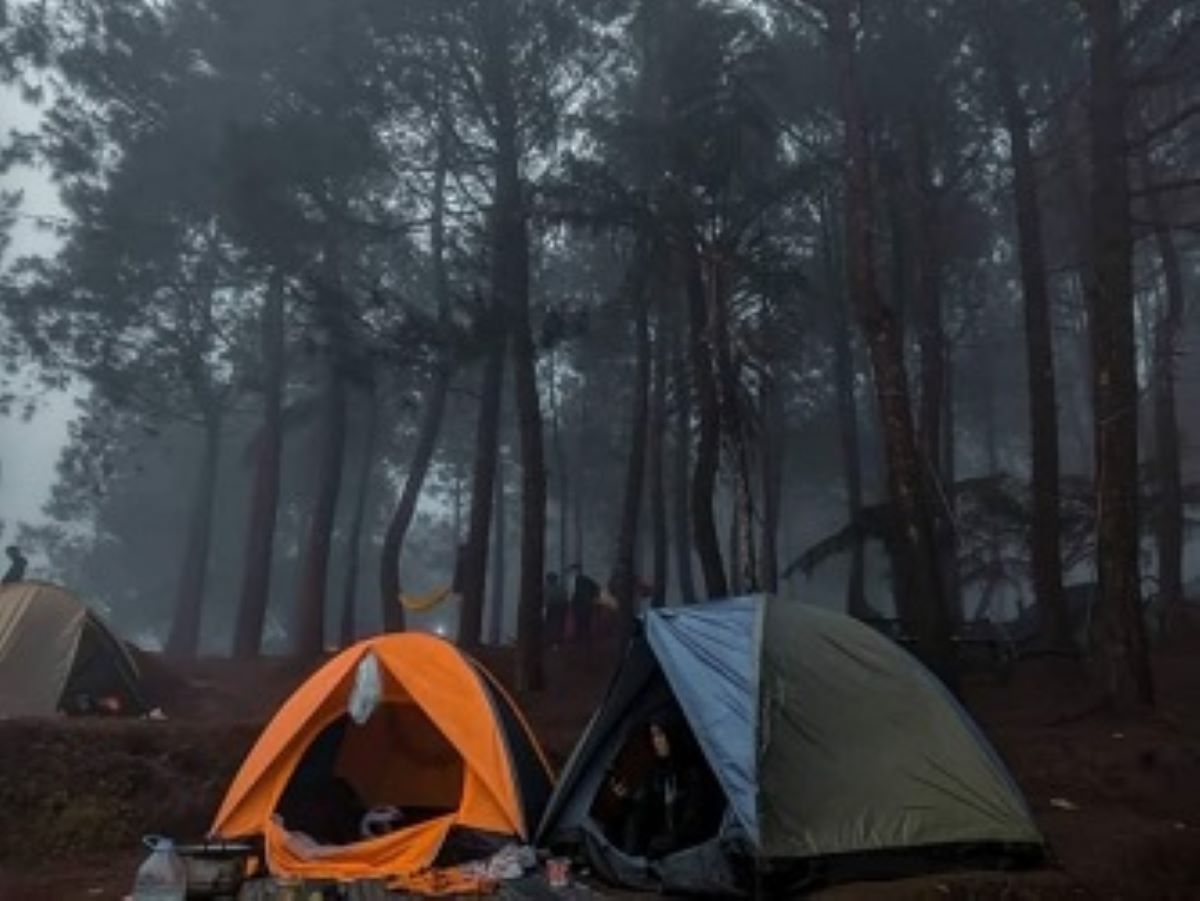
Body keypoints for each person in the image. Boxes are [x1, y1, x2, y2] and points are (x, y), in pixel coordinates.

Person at [607, 716, 717, 858]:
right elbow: (646, 806)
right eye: (653, 736)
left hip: (686, 846)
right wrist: (625, 798)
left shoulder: (693, 773)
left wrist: (667, 840)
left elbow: (693, 822)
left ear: (672, 735)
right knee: (623, 823)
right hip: (660, 841)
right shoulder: (658, 772)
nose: (656, 742)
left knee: (654, 842)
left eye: (660, 735)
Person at [567, 564, 600, 645]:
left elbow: (572, 594)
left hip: (579, 604)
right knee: (585, 623)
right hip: (587, 605)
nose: (572, 573)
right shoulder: (587, 580)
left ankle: (580, 640)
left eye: (573, 571)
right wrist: (593, 599)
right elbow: (596, 588)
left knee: (579, 623)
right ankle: (586, 641)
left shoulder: (574, 580)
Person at [543, 571, 568, 647]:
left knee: (549, 624)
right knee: (559, 624)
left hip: (552, 608)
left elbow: (546, 600)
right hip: (560, 607)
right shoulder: (561, 588)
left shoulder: (546, 589)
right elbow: (565, 598)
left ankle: (551, 640)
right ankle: (558, 639)